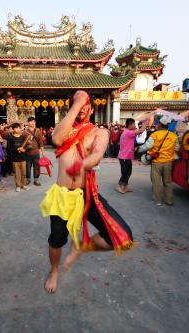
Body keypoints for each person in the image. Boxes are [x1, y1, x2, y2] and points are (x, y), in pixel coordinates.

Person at [40, 91, 133, 294]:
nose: (82, 106)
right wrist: (77, 103)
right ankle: (54, 271)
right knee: (56, 240)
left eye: (85, 103)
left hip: (88, 194)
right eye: (76, 103)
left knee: (124, 237)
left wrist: (83, 164)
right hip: (62, 196)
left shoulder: (99, 132)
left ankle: (83, 246)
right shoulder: (65, 131)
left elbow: (97, 155)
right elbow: (56, 139)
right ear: (71, 107)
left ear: (91, 108)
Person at [139, 115, 179, 206]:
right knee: (168, 182)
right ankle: (169, 200)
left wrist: (138, 149)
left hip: (157, 162)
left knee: (156, 182)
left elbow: (147, 146)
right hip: (168, 162)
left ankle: (158, 200)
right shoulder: (173, 136)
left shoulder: (155, 134)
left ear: (161, 124)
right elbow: (177, 148)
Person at [117, 118, 149, 194]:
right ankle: (121, 187)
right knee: (125, 172)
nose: (135, 126)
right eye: (134, 124)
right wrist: (146, 121)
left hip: (125, 156)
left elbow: (127, 144)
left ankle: (125, 186)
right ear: (130, 124)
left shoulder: (127, 132)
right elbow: (141, 130)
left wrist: (133, 149)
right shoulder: (128, 132)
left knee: (128, 172)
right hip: (124, 157)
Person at [7, 123, 29, 192]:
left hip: (23, 158)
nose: (18, 129)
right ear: (13, 129)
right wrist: (17, 149)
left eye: (19, 128)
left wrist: (24, 149)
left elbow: (27, 146)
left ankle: (24, 184)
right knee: (17, 173)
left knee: (24, 173)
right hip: (15, 159)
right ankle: (18, 186)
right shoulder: (10, 138)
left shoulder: (23, 137)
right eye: (16, 128)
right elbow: (9, 149)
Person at [25, 117, 44, 186]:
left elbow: (40, 142)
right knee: (28, 167)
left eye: (33, 121)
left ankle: (36, 180)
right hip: (27, 153)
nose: (32, 123)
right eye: (30, 121)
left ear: (35, 123)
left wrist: (42, 152)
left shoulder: (37, 131)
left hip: (36, 153)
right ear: (28, 123)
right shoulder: (25, 131)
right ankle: (28, 179)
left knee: (36, 167)